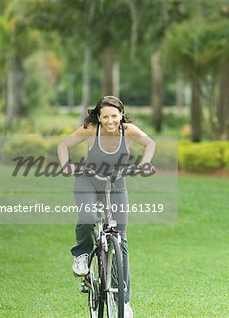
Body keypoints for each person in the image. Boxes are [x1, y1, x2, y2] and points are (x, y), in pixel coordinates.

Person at [58, 96, 156, 318]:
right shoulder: (90, 129)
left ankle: (123, 300)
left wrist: (144, 164)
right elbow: (63, 145)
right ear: (99, 118)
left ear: (121, 115)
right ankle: (82, 253)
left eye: (114, 115)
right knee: (89, 215)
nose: (110, 121)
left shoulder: (129, 130)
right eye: (106, 116)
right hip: (88, 179)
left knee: (120, 239)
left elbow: (150, 143)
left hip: (116, 181)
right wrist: (65, 166)